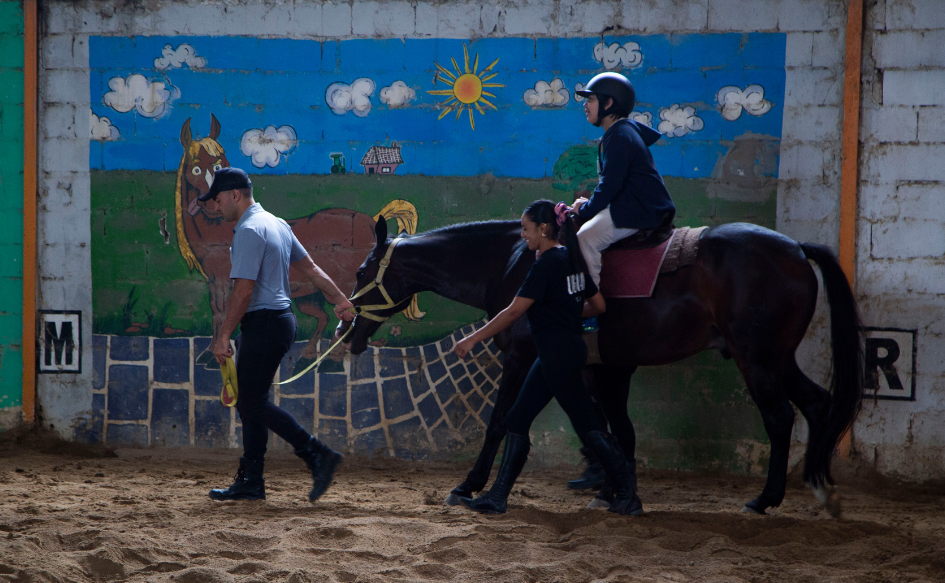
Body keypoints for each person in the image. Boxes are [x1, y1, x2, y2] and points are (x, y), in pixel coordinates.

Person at [452, 199, 643, 516]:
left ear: (543, 229)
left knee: (588, 427)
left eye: (526, 229)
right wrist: (567, 313)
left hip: (556, 354)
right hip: (563, 351)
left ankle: (627, 494)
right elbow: (598, 306)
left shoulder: (544, 266)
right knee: (518, 419)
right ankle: (498, 496)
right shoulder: (572, 259)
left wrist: (473, 338)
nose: (523, 235)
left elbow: (514, 312)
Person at [202, 167, 356, 502]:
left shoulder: (249, 230)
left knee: (251, 401)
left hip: (265, 323)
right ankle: (252, 480)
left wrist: (223, 335)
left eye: (217, 199)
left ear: (235, 195)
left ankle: (317, 453)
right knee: (252, 402)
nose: (215, 207)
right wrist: (339, 300)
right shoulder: (276, 223)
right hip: (279, 322)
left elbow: (243, 291)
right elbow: (312, 269)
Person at [573, 72, 676, 292]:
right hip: (632, 205)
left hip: (639, 210)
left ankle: (590, 307)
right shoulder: (620, 132)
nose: (585, 105)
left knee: (585, 238)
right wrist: (587, 205)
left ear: (608, 103)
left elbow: (610, 186)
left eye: (591, 99)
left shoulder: (619, 135)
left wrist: (585, 210)